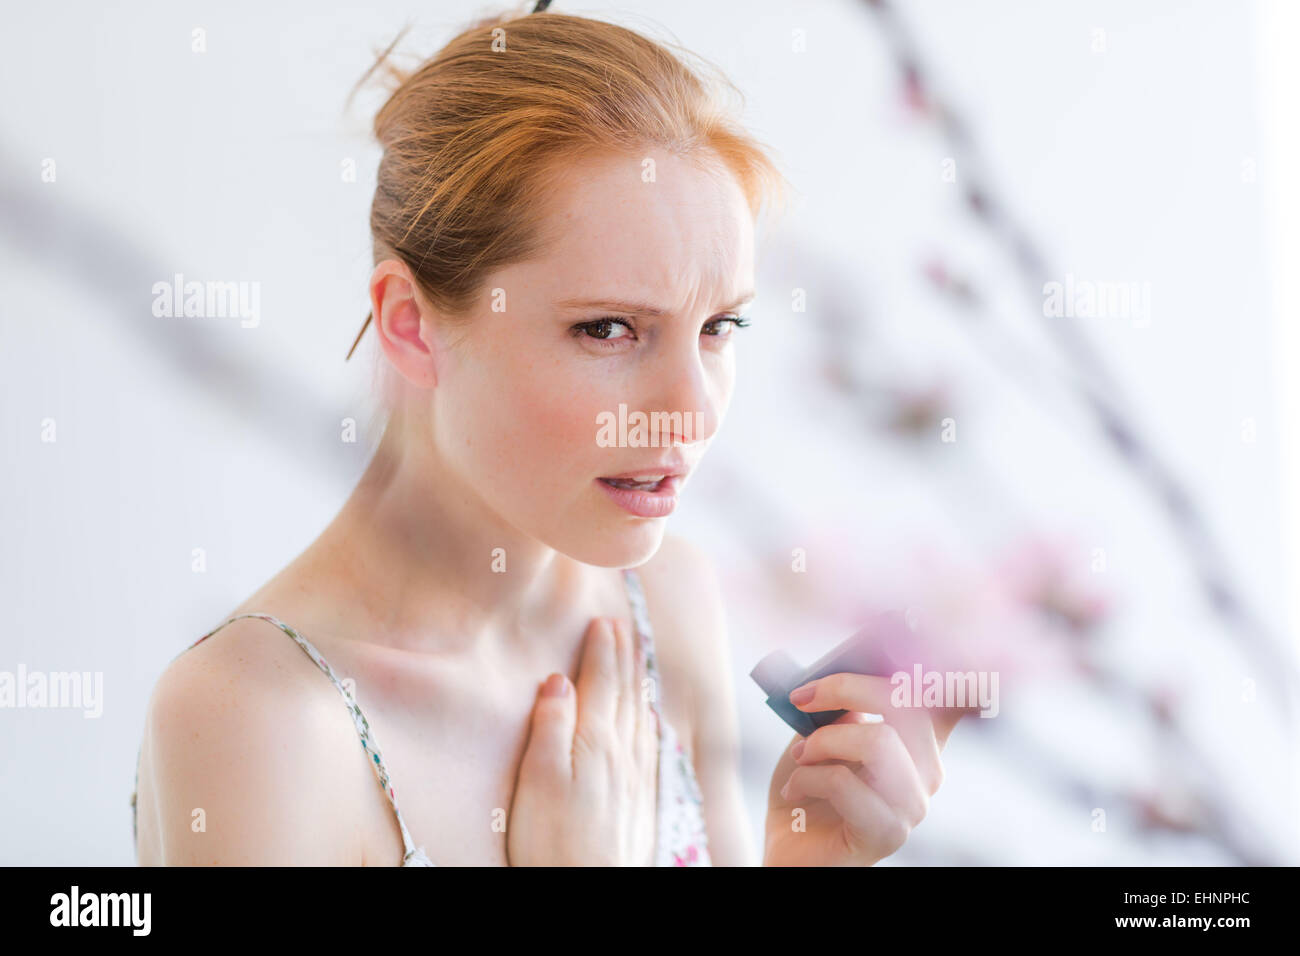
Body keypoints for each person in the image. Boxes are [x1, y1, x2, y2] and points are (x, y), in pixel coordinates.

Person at [130, 7, 959, 867]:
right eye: (607, 329)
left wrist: (809, 859)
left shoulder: (667, 602)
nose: (693, 412)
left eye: (719, 326)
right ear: (412, 326)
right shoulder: (258, 719)